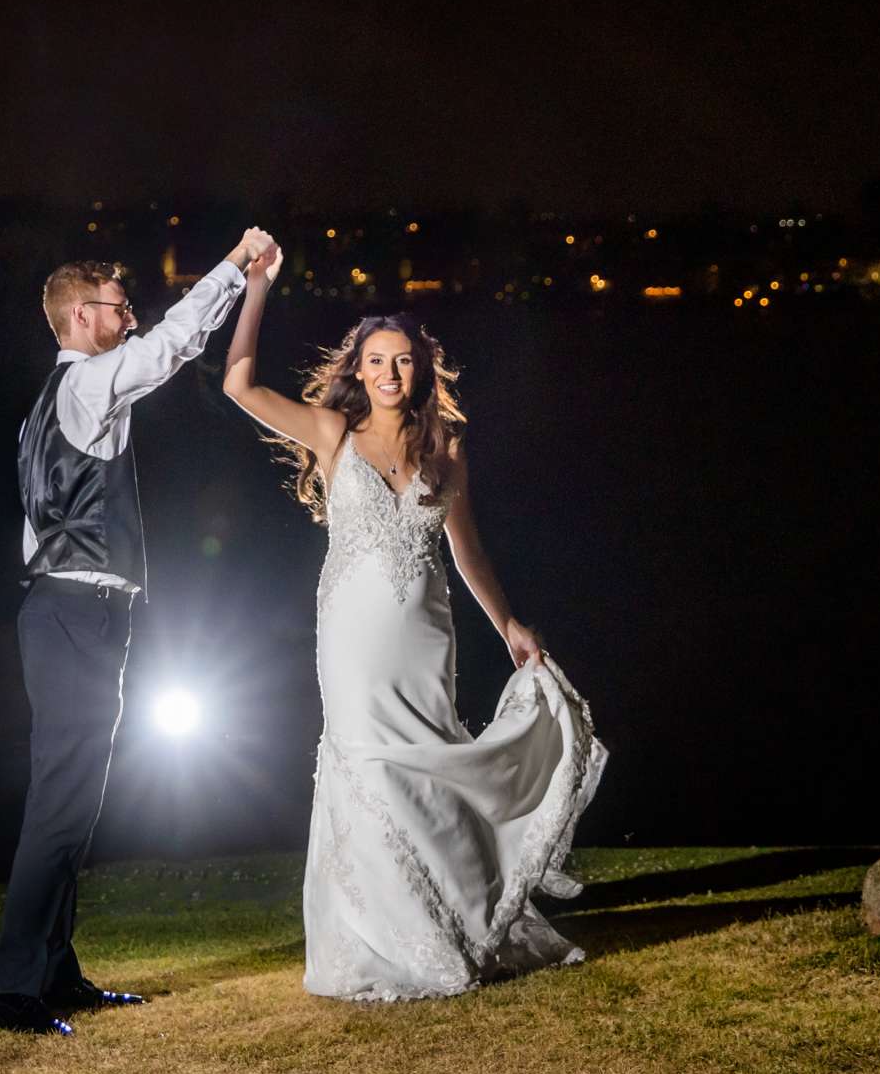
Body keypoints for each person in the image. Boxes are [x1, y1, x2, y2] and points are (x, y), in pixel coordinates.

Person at [222, 245, 605, 1000]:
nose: (389, 374)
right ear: (357, 370)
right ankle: (386, 937)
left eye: (402, 362)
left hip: (426, 633)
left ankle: (450, 918)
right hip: (353, 634)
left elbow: (468, 555)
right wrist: (257, 286)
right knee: (370, 764)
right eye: (376, 361)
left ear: (419, 371)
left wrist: (509, 626)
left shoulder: (446, 450)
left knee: (430, 764)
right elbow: (238, 382)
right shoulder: (332, 433)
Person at [0, 227, 275, 1037]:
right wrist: (237, 265)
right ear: (78, 317)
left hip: (64, 611)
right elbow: (178, 344)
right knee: (61, 806)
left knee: (74, 801)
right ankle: (9, 992)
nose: (131, 315)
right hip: (76, 614)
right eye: (117, 306)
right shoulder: (90, 384)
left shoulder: (51, 405)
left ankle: (55, 971)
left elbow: (41, 529)